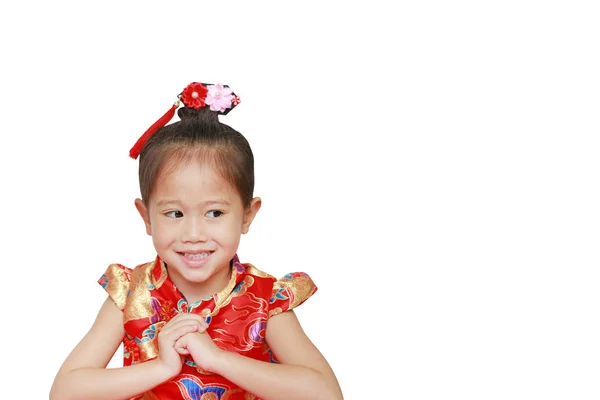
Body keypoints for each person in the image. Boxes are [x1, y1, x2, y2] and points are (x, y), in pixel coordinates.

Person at [50, 81, 343, 400]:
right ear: (146, 217)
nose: (193, 235)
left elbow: (326, 394)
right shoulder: (131, 293)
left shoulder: (266, 300)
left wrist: (217, 358)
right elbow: (65, 392)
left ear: (247, 215)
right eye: (174, 214)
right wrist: (162, 367)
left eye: (214, 213)